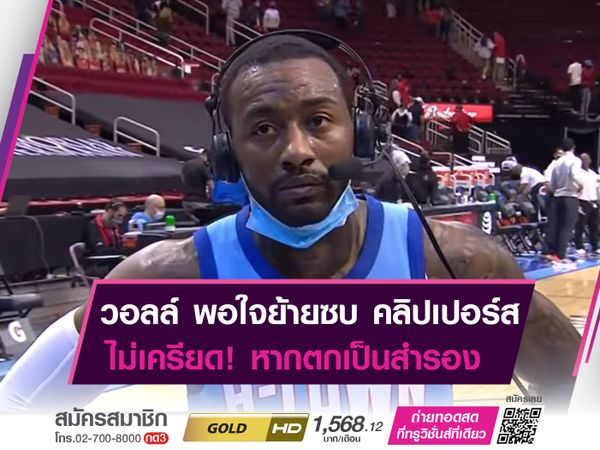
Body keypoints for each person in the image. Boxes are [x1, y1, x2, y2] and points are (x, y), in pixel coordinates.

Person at [0, 33, 580, 414]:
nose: (297, 151)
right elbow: (18, 408)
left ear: (361, 134)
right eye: (263, 128)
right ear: (227, 154)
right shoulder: (169, 284)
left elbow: (573, 398)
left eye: (319, 121)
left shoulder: (456, 265)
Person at [549, 138, 586, 261]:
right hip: (570, 196)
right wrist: (581, 185)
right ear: (573, 147)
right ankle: (560, 255)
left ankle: (553, 253)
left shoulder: (557, 162)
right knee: (567, 227)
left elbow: (553, 181)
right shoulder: (575, 160)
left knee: (557, 226)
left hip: (557, 197)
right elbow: (575, 175)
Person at [574, 153, 599, 255]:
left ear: (590, 160)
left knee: (594, 226)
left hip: (593, 201)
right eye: (582, 159)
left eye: (586, 159)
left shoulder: (593, 174)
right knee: (580, 225)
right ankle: (579, 246)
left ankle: (595, 246)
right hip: (582, 201)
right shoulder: (578, 173)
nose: (584, 161)